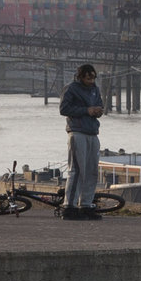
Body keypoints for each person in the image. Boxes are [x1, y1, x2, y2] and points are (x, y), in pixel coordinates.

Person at [58, 63, 106, 219]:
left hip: (92, 132)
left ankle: (86, 204)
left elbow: (100, 105)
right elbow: (64, 109)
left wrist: (98, 111)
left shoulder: (95, 90)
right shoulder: (71, 89)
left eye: (93, 77)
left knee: (92, 170)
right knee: (77, 170)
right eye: (88, 77)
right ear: (81, 76)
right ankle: (69, 206)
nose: (91, 80)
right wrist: (87, 110)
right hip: (77, 132)